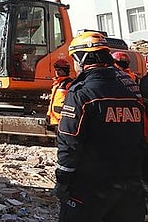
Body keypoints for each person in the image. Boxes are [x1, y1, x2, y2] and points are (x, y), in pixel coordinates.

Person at [55, 31, 146, 222]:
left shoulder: (82, 93)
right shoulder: (130, 89)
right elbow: (140, 137)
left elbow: (69, 140)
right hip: (129, 184)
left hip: (91, 187)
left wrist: (63, 179)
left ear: (82, 58)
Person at [46, 59, 73, 130]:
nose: (57, 72)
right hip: (55, 118)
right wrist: (48, 114)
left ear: (65, 71)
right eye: (56, 70)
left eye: (59, 70)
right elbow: (52, 101)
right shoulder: (56, 84)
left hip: (62, 119)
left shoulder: (69, 84)